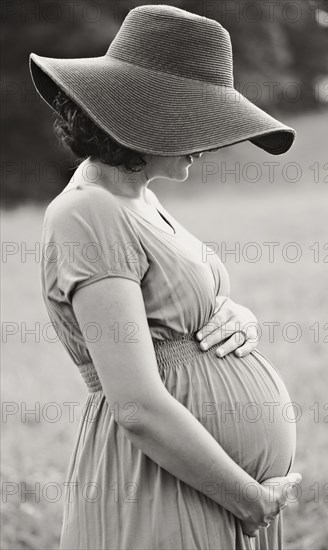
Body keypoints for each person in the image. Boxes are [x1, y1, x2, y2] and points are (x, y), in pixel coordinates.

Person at [30, 5, 302, 549]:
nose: (212, 141)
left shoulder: (141, 200)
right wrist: (249, 501)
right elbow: (135, 405)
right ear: (149, 118)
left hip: (206, 490)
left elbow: (178, 315)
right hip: (157, 491)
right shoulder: (88, 214)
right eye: (201, 122)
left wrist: (238, 316)